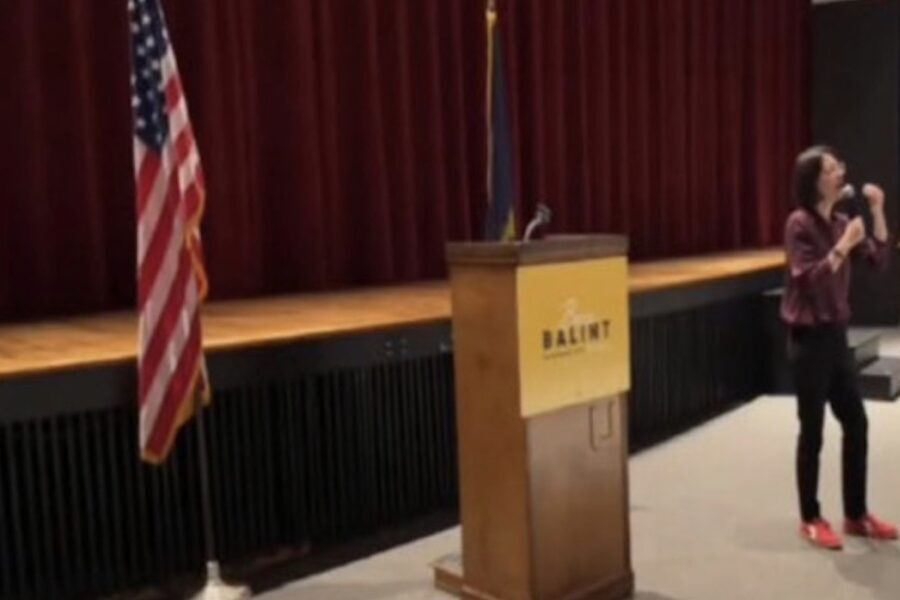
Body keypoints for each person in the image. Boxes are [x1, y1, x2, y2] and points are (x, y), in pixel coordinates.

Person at [781, 145, 897, 550]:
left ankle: (856, 514)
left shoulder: (842, 221)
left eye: (839, 167)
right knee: (812, 431)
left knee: (857, 423)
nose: (840, 173)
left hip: (835, 337)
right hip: (808, 340)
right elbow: (807, 280)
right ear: (815, 181)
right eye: (832, 169)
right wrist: (843, 246)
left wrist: (878, 211)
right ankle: (811, 518)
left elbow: (879, 261)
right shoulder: (799, 223)